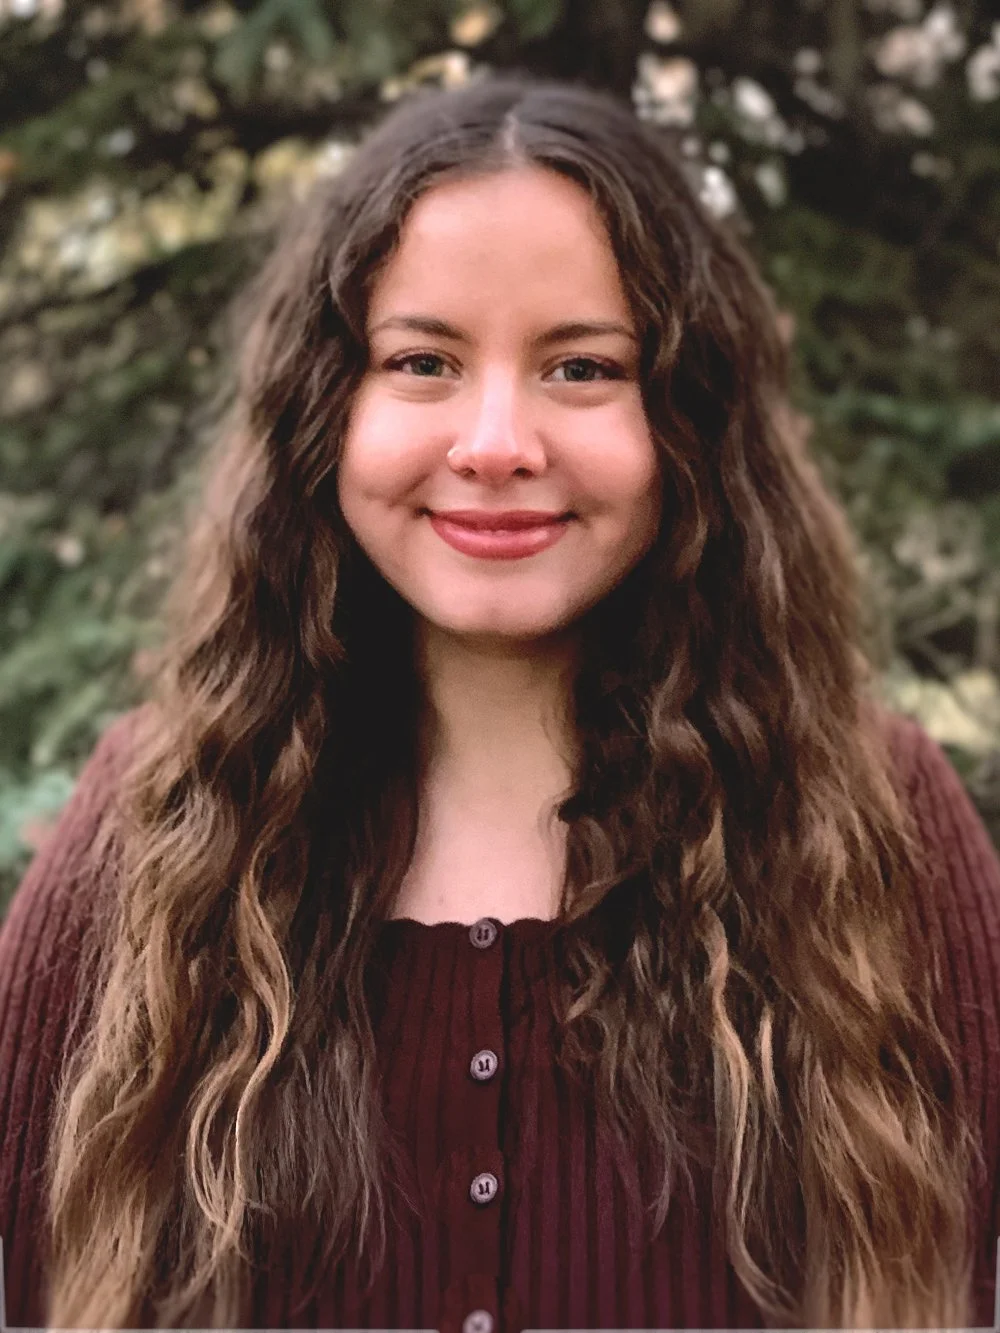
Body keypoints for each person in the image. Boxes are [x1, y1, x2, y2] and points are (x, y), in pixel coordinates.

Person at [1, 73, 998, 1333]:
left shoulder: (877, 827)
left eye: (582, 366)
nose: (494, 441)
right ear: (326, 412)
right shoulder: (155, 833)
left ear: (687, 421)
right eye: (421, 360)